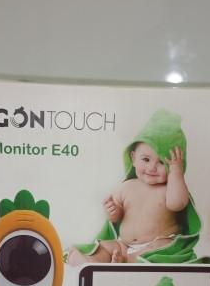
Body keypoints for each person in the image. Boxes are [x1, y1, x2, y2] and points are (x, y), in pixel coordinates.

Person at [67, 109, 192, 265]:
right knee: (106, 246)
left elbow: (177, 203)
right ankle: (90, 261)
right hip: (124, 245)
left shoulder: (169, 189)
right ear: (133, 158)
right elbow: (117, 217)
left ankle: (126, 261)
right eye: (146, 159)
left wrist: (176, 172)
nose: (152, 168)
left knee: (162, 246)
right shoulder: (126, 186)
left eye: (162, 162)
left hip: (155, 245)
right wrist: (112, 211)